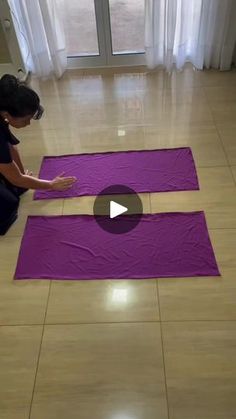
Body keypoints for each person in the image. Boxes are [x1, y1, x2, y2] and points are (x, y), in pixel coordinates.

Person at [0, 74, 77, 235]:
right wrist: (50, 185)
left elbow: (9, 145)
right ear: (7, 114)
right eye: (26, 119)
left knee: (16, 188)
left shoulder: (2, 109)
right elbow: (15, 178)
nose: (28, 123)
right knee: (7, 209)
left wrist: (20, 177)